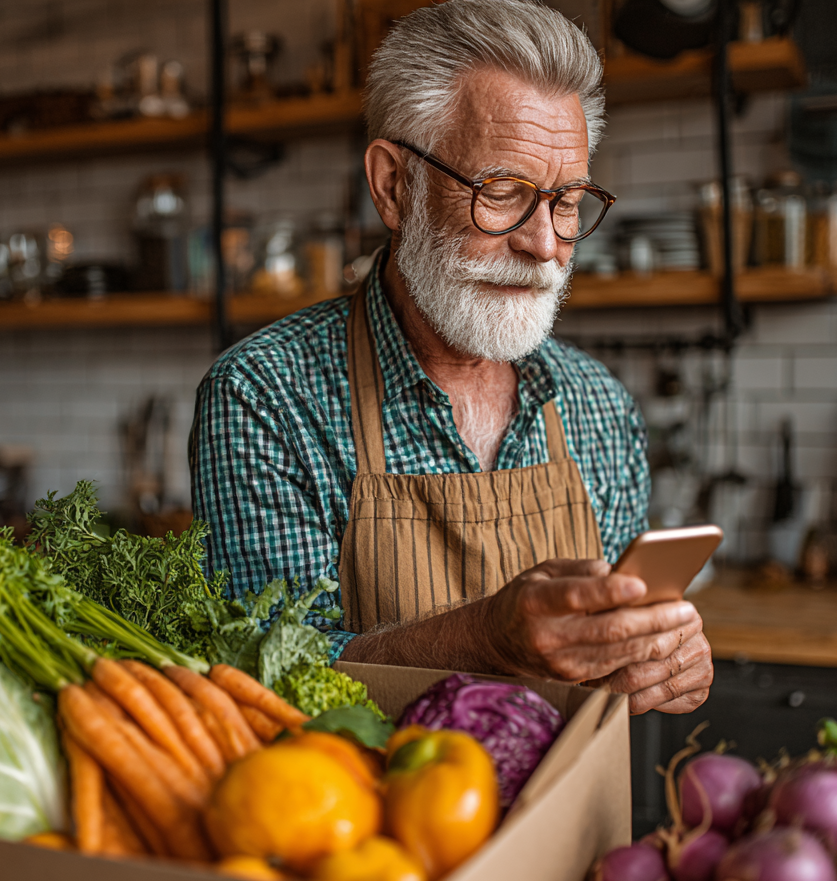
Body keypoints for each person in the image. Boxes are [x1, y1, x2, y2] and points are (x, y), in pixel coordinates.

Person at [191, 0, 712, 714]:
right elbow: (261, 676)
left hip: (572, 818)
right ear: (394, 187)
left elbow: (612, 659)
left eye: (566, 201)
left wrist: (658, 660)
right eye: (502, 192)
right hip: (364, 817)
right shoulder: (266, 394)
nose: (546, 244)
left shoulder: (599, 406)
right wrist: (485, 640)